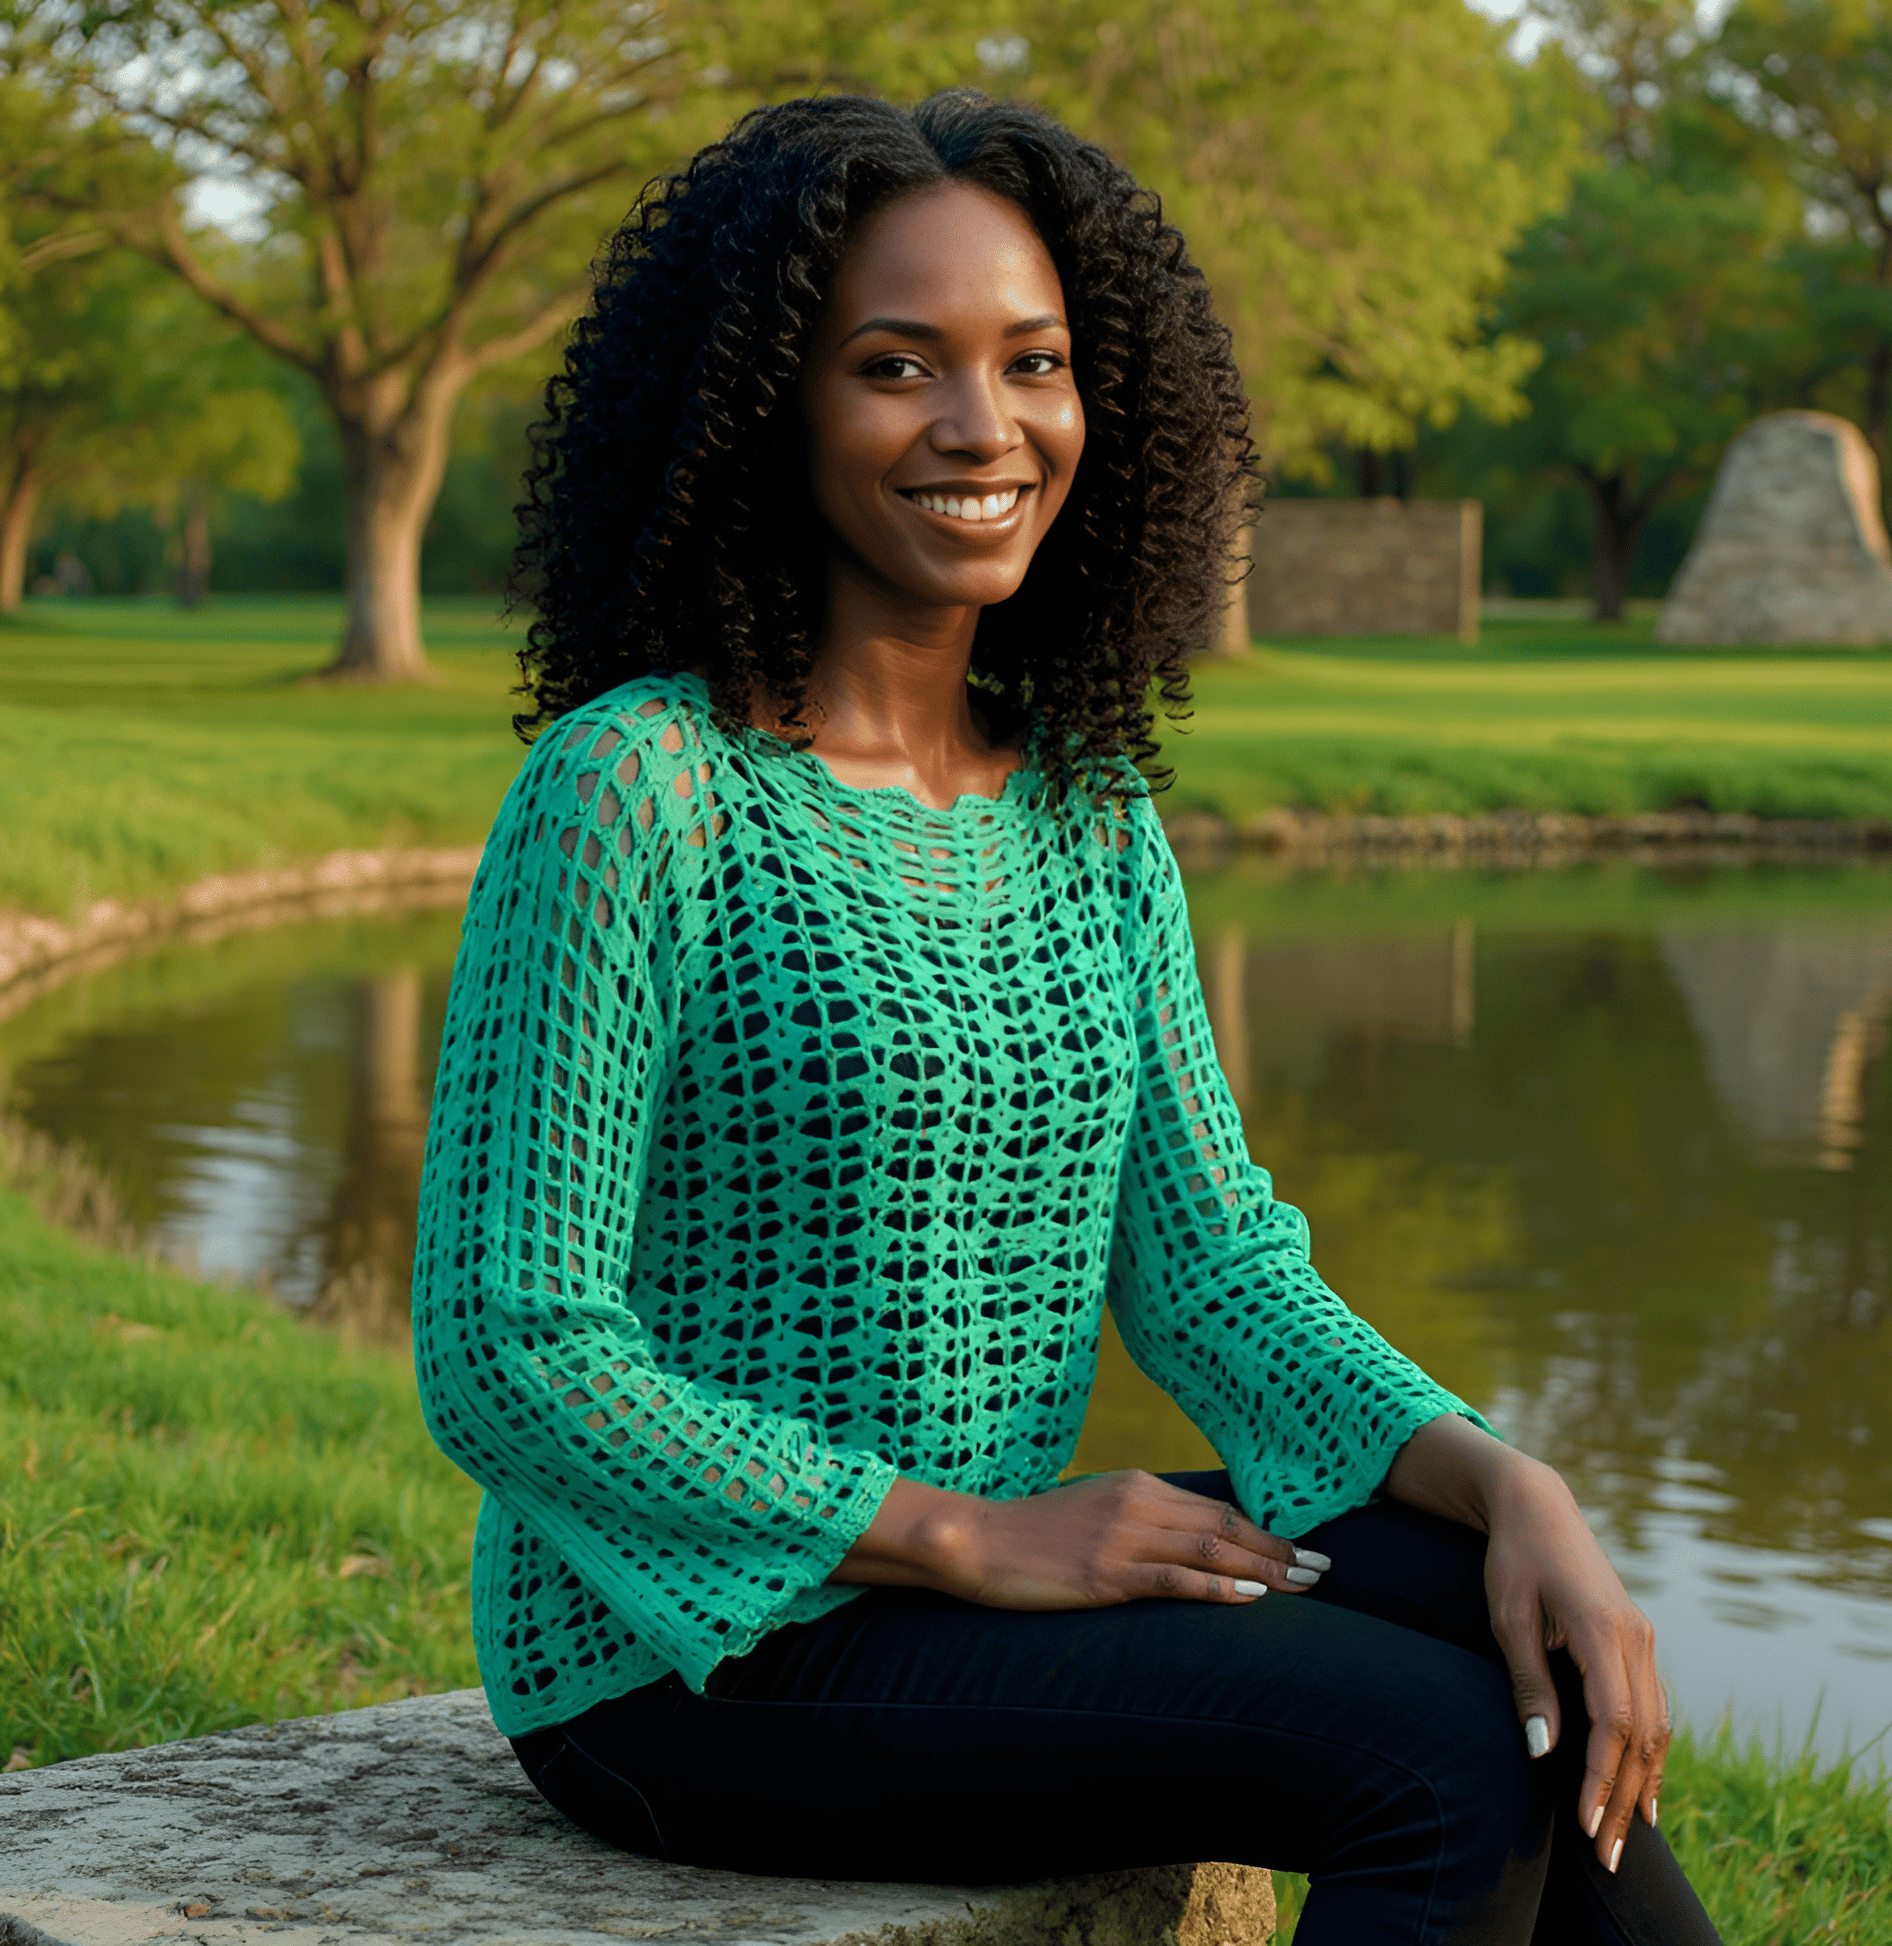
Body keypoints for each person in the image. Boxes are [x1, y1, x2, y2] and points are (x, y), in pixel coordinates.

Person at [412, 91, 1719, 1945]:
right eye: (896, 365)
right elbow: (508, 1345)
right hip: (686, 1657)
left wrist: (1519, 1486)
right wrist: (966, 1529)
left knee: (1508, 1620)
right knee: (1437, 1752)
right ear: (763, 399)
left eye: (1033, 363)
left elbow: (1215, 1276)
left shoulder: (1083, 811)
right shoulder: (638, 786)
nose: (983, 426)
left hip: (970, 1592)